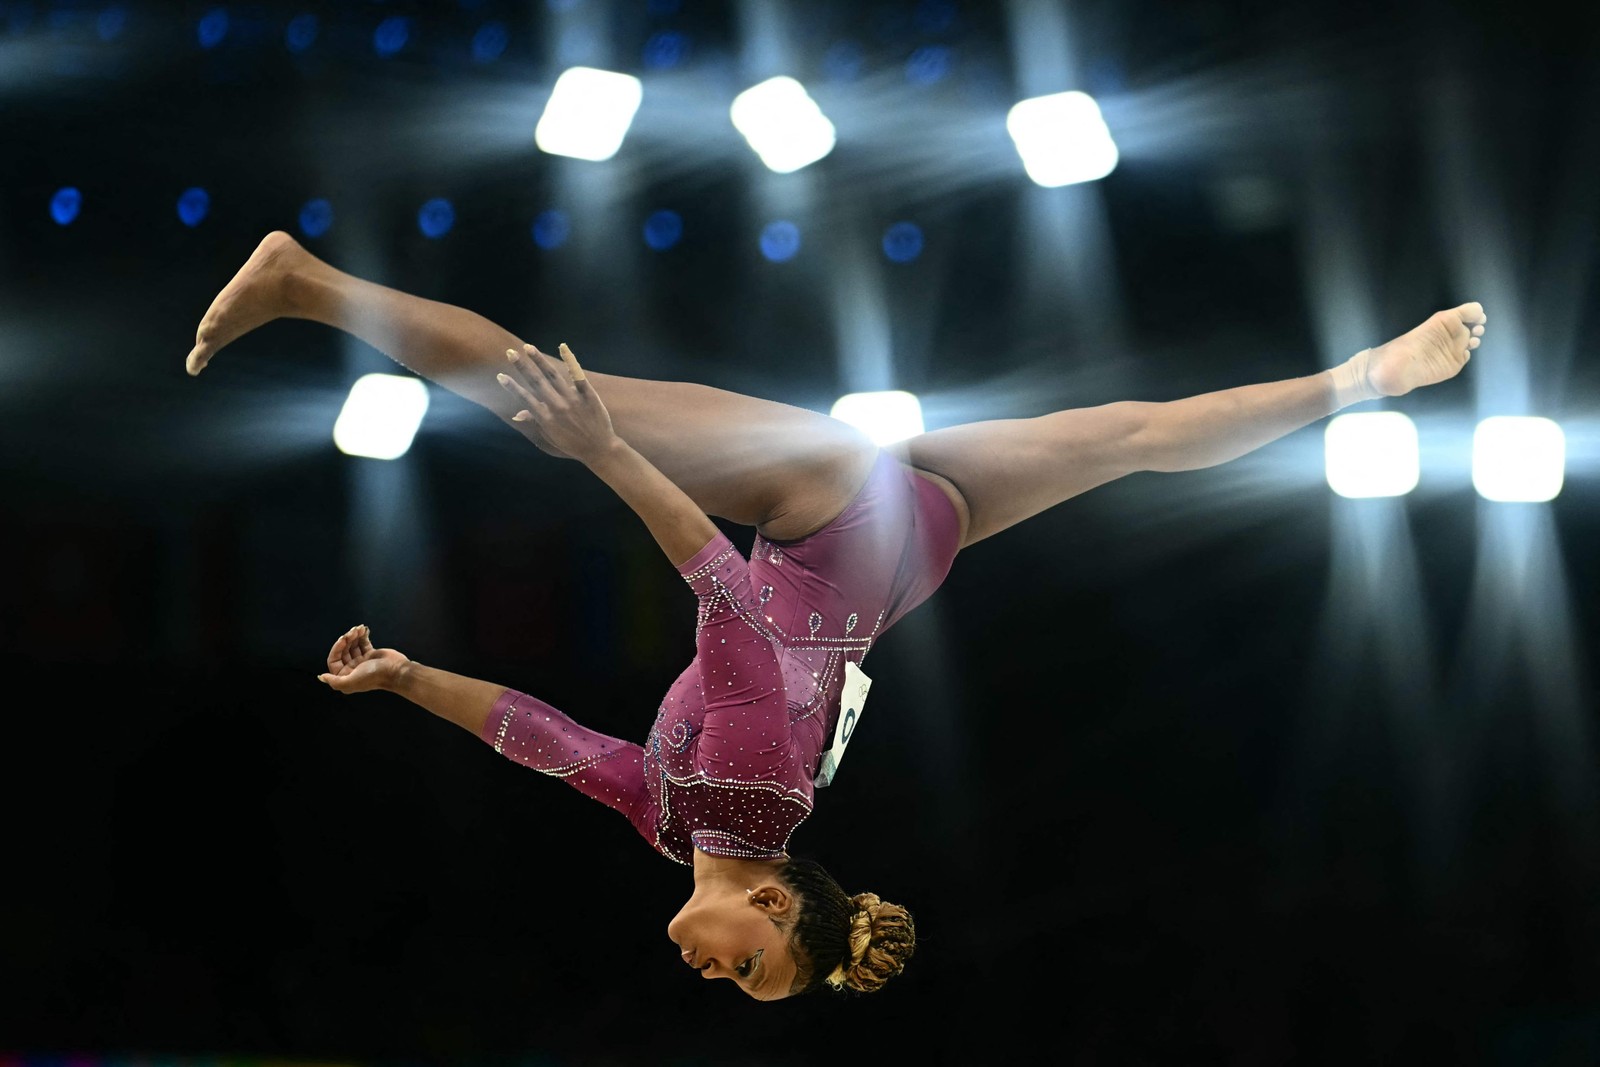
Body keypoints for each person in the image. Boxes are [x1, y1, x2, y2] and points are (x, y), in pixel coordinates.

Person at [184, 230, 1486, 1001]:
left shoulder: (677, 825)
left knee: (1133, 439)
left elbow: (551, 742)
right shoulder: (751, 792)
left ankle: (1366, 374)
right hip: (832, 513)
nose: (716, 976)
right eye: (751, 970)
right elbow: (719, 590)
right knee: (549, 400)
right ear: (778, 911)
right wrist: (596, 456)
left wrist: (411, 680)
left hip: (907, 551)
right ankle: (302, 283)